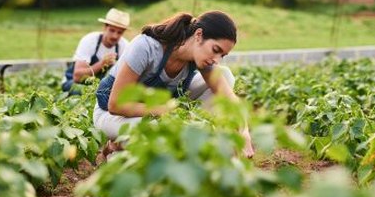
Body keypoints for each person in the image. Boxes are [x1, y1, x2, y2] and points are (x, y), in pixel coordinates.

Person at [93, 10, 255, 158]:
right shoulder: (146, 47)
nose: (216, 59)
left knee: (224, 75)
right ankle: (116, 148)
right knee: (158, 131)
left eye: (222, 55)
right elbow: (115, 105)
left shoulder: (202, 60)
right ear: (198, 35)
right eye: (215, 49)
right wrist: (167, 112)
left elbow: (230, 99)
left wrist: (244, 131)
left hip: (152, 113)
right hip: (111, 114)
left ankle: (191, 135)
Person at [62, 8, 131, 93]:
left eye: (119, 32)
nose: (115, 36)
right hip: (74, 82)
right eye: (112, 30)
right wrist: (102, 64)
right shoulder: (90, 41)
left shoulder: (124, 46)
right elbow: (77, 77)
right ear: (105, 27)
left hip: (100, 87)